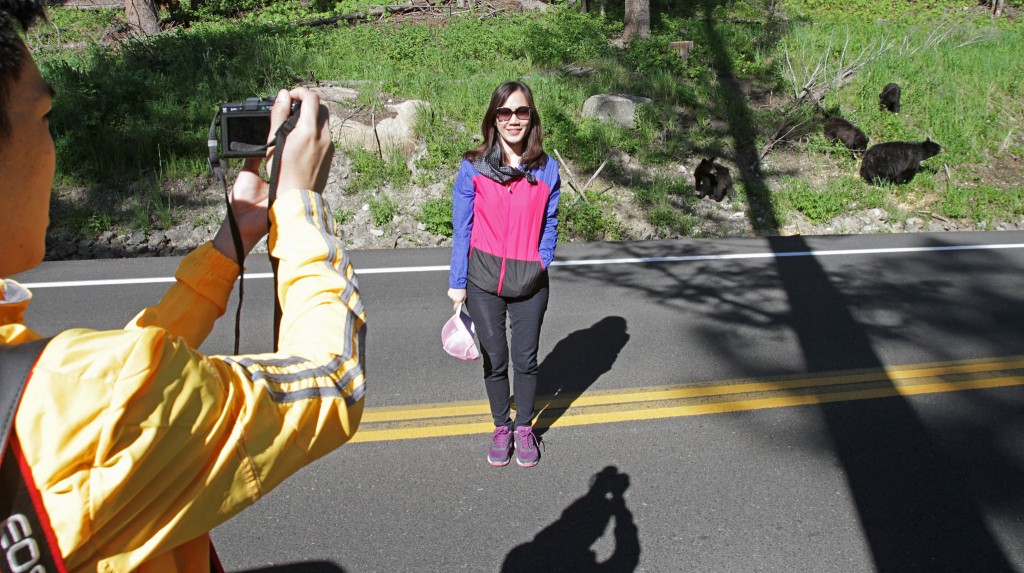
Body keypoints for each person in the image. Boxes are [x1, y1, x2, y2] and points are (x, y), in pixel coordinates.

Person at [0, 3, 367, 571]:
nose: (51, 144)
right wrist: (301, 206)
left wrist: (224, 255)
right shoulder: (96, 400)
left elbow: (107, 388)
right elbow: (333, 382)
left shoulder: (71, 391)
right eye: (45, 117)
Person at [447, 81, 560, 468]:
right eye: (505, 112)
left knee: (525, 360)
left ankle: (525, 428)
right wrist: (457, 282)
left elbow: (551, 220)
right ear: (494, 118)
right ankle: (501, 426)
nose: (514, 120)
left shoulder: (546, 169)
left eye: (522, 111)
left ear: (532, 117)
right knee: (495, 357)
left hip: (531, 282)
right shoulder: (473, 167)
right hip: (483, 281)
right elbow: (462, 228)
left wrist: (542, 258)